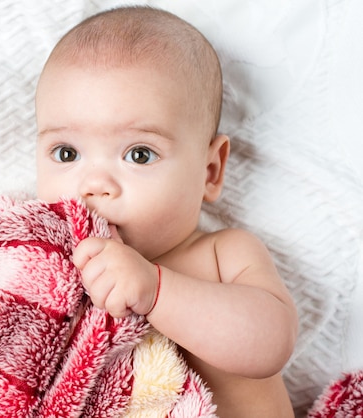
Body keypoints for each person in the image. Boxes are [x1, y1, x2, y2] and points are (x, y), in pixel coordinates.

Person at [35, 6, 298, 418]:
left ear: (210, 171)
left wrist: (156, 291)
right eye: (66, 153)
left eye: (139, 154)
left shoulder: (222, 254)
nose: (93, 184)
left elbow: (271, 344)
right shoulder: (53, 272)